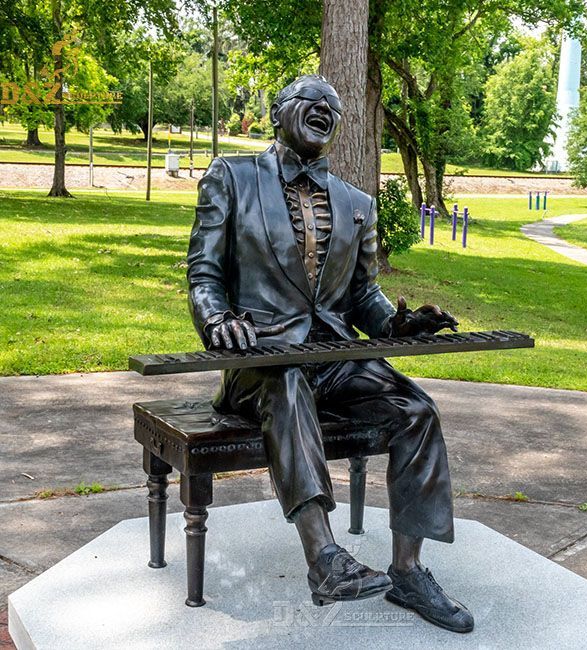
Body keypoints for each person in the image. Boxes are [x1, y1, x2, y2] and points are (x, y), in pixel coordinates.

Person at [186, 74, 474, 634]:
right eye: (310, 101)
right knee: (286, 377)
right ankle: (325, 559)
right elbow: (204, 271)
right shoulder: (232, 177)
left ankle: (409, 571)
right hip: (260, 361)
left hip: (335, 358)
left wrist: (398, 322)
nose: (323, 109)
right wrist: (216, 318)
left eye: (333, 107)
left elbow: (363, 294)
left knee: (416, 411)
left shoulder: (355, 202)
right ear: (277, 113)